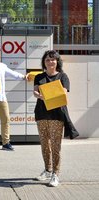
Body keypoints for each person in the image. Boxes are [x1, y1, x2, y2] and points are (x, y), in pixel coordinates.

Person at [33, 50, 70, 187]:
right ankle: (48, 170)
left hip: (56, 115)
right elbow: (35, 92)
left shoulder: (62, 76)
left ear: (57, 61)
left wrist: (50, 95)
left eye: (53, 59)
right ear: (44, 62)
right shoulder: (39, 77)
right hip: (41, 114)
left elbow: (64, 93)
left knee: (55, 146)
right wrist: (40, 96)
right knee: (44, 145)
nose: (50, 62)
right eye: (47, 60)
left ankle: (55, 174)